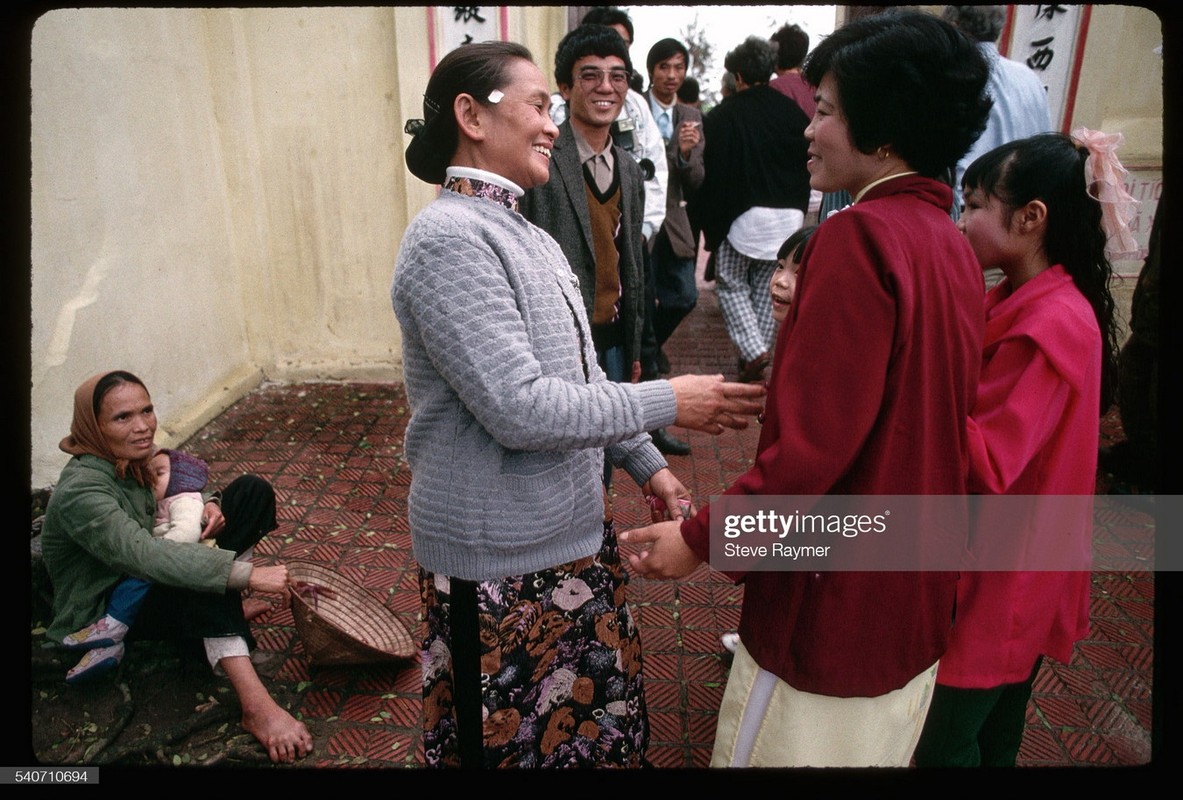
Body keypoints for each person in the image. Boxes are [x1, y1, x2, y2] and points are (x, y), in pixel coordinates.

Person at [622, 10, 992, 767]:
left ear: (882, 133)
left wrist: (698, 540)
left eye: (822, 111)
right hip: (909, 578)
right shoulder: (945, 240)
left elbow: (810, 459)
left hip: (837, 591)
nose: (807, 130)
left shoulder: (858, 238)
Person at [394, 40, 764, 768]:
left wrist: (647, 466)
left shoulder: (523, 231)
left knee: (580, 733)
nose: (551, 125)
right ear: (470, 114)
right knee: (506, 742)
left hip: (566, 534)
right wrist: (667, 400)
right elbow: (521, 409)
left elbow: (585, 378)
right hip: (495, 554)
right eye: (536, 105)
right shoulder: (448, 239)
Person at [913, 130, 1134, 767]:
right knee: (994, 726)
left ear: (1031, 217)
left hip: (1004, 565)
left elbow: (987, 458)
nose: (962, 219)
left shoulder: (1048, 323)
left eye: (975, 204)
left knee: (945, 738)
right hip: (1018, 554)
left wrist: (910, 390)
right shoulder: (1023, 299)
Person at [40, 370, 313, 763]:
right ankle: (257, 708)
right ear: (93, 426)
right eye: (123, 417)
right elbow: (149, 557)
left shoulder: (128, 457)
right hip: (106, 614)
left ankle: (224, 618)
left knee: (250, 492)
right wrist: (247, 575)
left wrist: (211, 503)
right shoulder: (83, 490)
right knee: (196, 574)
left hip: (143, 577)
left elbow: (178, 492)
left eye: (146, 410)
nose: (143, 426)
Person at [689, 35, 812, 385]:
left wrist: (713, 224)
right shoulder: (792, 113)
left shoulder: (725, 115)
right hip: (787, 217)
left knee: (730, 284)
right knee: (764, 287)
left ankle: (754, 351)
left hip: (743, 219)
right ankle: (753, 357)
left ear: (739, 76)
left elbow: (716, 175)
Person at [719, 224, 815, 657]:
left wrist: (705, 538)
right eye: (780, 266)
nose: (779, 281)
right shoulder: (791, 329)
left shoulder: (820, 342)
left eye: (798, 271)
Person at [942, 6, 1053, 221]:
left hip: (970, 213)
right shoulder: (1028, 79)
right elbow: (1045, 151)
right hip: (1024, 216)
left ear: (953, 26)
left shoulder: (955, 77)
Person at [644, 39, 705, 412]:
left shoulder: (691, 116)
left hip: (675, 221)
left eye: (678, 67)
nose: (671, 75)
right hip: (640, 218)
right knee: (640, 299)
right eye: (664, 67)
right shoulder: (633, 108)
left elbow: (697, 179)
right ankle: (647, 363)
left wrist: (685, 154)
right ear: (651, 69)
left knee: (685, 295)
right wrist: (672, 151)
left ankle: (650, 347)